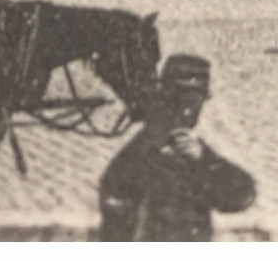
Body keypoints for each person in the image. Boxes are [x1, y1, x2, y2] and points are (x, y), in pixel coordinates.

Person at [98, 54, 256, 241]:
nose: (193, 110)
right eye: (189, 102)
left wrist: (204, 158)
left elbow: (240, 195)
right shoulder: (153, 147)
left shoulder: (181, 145)